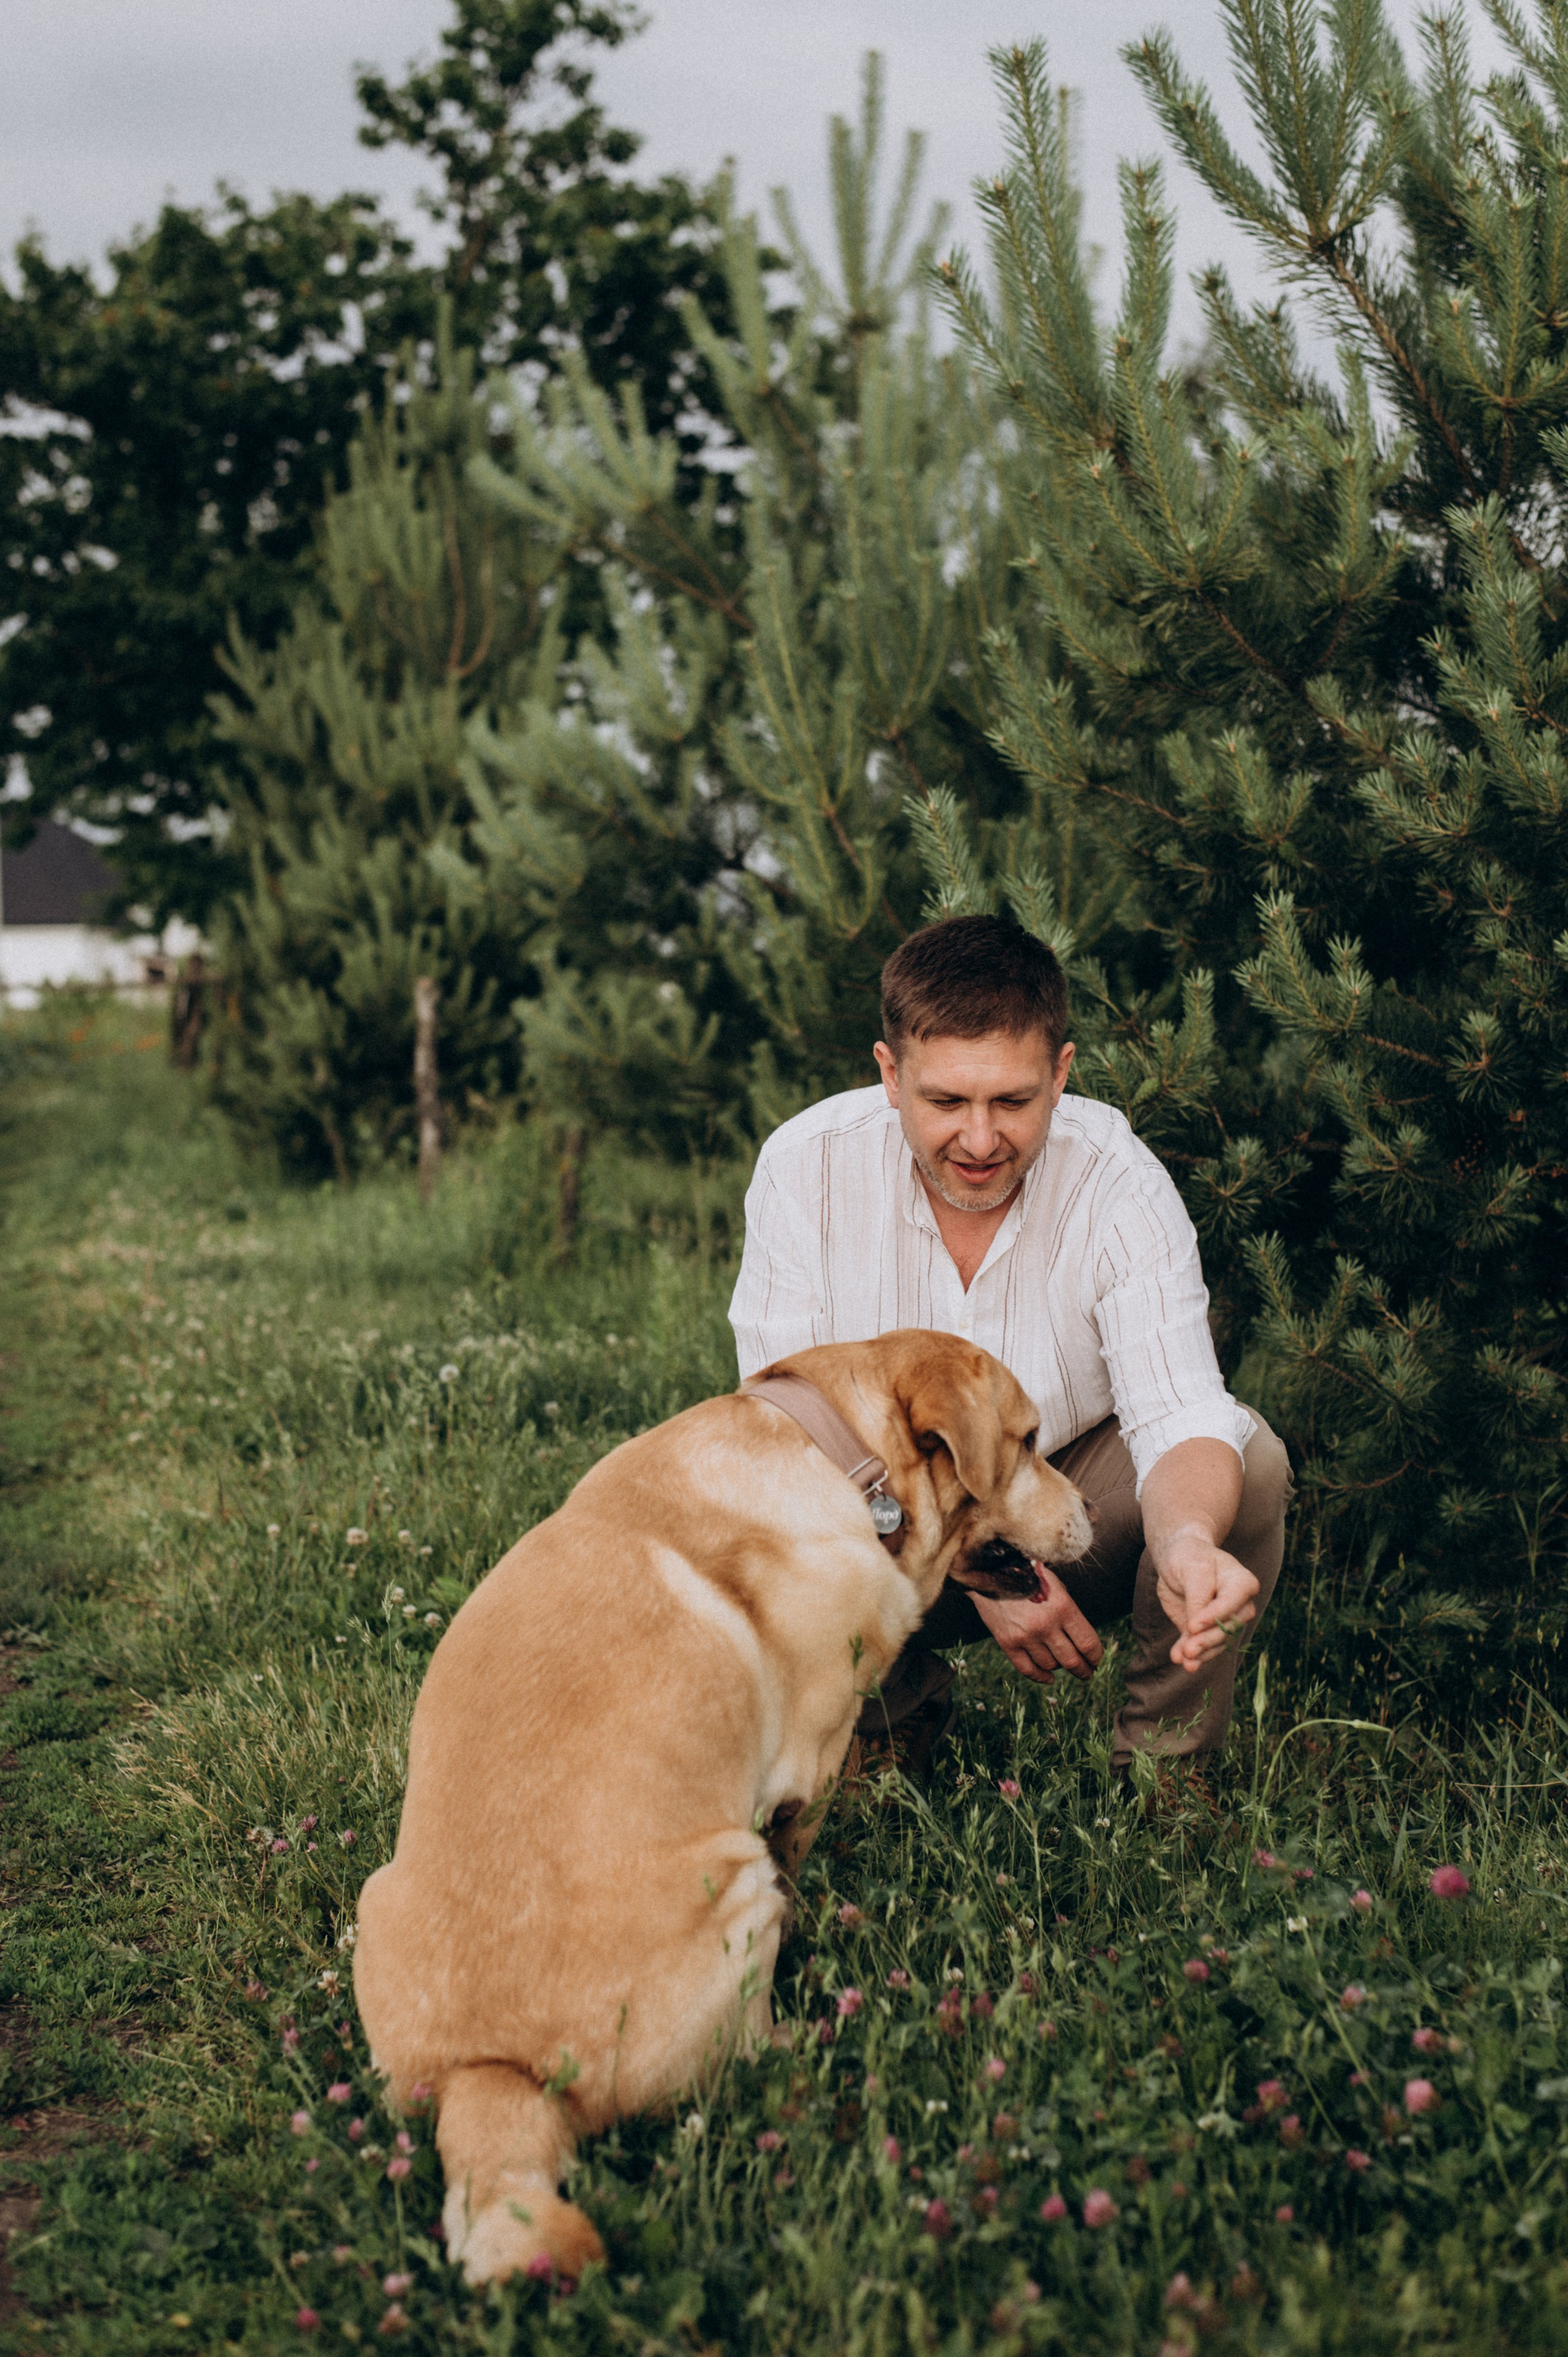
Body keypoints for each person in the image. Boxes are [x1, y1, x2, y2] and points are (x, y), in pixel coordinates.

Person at [729, 913, 1291, 1781]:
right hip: (878, 1527)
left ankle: (1163, 1777)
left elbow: (1180, 1411)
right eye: (947, 1101)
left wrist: (1185, 1544)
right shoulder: (806, 1168)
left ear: (1061, 1074)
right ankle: (890, 1722)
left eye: (1014, 1101)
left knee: (1246, 1464)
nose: (982, 1140)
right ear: (890, 1074)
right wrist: (982, 1568)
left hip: (1069, 1493)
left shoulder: (1120, 1183)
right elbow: (791, 1438)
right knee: (750, 1507)